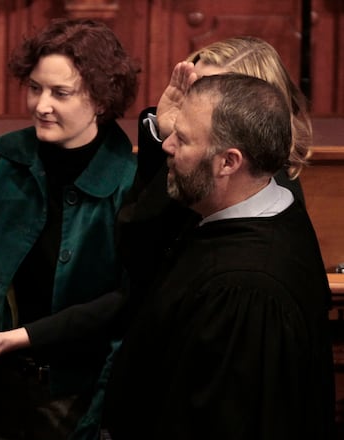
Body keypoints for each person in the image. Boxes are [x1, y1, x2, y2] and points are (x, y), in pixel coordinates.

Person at [104, 73, 335, 439]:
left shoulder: (245, 290)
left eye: (183, 138)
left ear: (228, 162)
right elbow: (143, 257)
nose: (168, 145)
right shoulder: (257, 208)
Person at [0, 18, 140, 440]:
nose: (40, 104)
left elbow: (124, 304)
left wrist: (25, 338)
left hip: (81, 395)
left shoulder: (131, 177)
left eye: (60, 93)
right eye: (35, 87)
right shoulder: (3, 157)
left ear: (102, 100)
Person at [116, 36, 314, 330]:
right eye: (196, 88)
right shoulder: (198, 168)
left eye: (213, 89)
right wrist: (170, 137)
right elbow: (139, 250)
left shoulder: (262, 197)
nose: (198, 100)